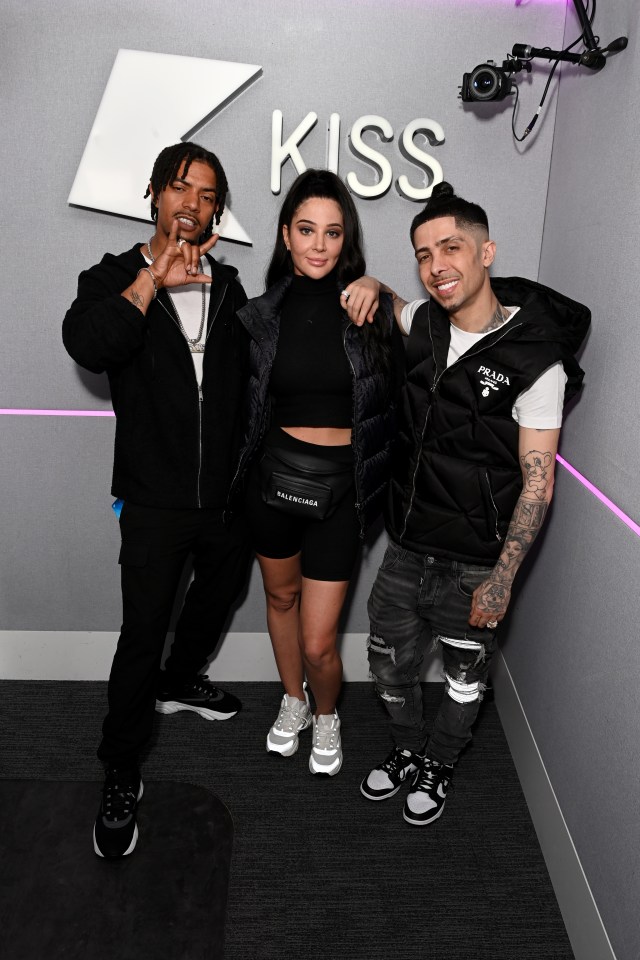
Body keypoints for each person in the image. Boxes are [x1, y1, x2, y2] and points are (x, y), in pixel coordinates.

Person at [342, 182, 590, 824]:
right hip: (405, 551)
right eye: (423, 254)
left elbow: (538, 482)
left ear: (487, 253)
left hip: (477, 563)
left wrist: (504, 578)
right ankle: (405, 750)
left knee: (462, 678)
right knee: (387, 667)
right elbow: (396, 305)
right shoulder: (422, 323)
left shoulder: (538, 361)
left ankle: (441, 763)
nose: (436, 267)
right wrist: (372, 282)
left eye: (450, 248)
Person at [62, 142, 251, 858]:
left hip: (225, 498)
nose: (192, 204)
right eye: (180, 187)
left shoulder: (231, 287)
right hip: (152, 499)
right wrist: (149, 282)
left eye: (206, 195)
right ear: (152, 192)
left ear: (215, 211)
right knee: (142, 632)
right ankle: (120, 768)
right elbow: (89, 345)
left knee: (219, 596)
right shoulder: (110, 279)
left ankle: (182, 680)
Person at [232, 169, 403, 776]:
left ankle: (327, 714)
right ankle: (294, 700)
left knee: (318, 641)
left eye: (333, 233)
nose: (319, 244)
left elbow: (436, 333)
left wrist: (383, 289)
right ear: (285, 235)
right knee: (279, 599)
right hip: (270, 482)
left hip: (343, 489)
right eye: (307, 230)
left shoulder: (367, 306)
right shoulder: (257, 317)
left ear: (346, 239)